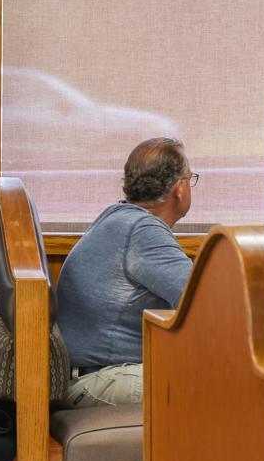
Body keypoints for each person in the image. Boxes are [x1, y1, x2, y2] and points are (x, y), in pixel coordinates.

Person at [56, 137, 195, 408]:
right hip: (99, 377)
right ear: (179, 188)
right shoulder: (143, 231)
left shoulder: (118, 216)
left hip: (91, 372)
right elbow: (202, 300)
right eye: (191, 178)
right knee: (225, 381)